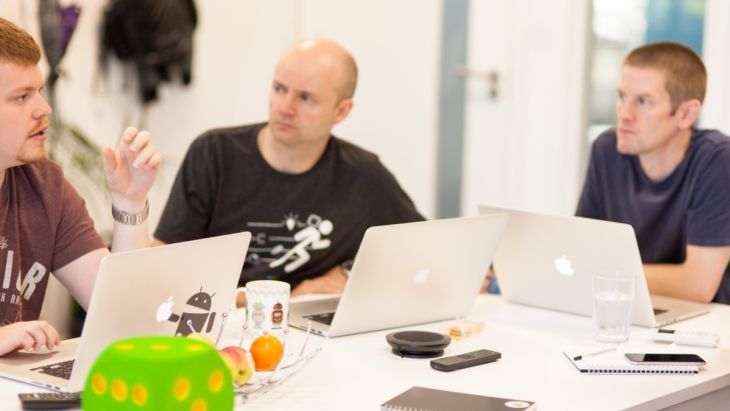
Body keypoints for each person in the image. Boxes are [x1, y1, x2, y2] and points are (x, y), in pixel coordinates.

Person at [154, 39, 423, 296]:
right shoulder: (213, 154)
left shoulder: (364, 175)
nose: (285, 108)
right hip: (222, 320)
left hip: (311, 329)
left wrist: (346, 271)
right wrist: (291, 296)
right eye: (279, 89)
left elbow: (423, 248)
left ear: (341, 112)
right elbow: (166, 271)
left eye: (306, 98)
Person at [0, 18, 162, 355]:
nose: (44, 109)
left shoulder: (45, 186)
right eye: (21, 98)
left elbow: (125, 318)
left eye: (40, 92)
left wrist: (130, 204)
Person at [576, 41, 730, 304]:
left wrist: (596, 274)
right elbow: (581, 250)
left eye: (643, 102)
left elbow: (698, 285)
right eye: (622, 96)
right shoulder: (607, 149)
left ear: (686, 113)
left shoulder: (718, 160)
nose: (624, 114)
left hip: (705, 322)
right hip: (632, 303)